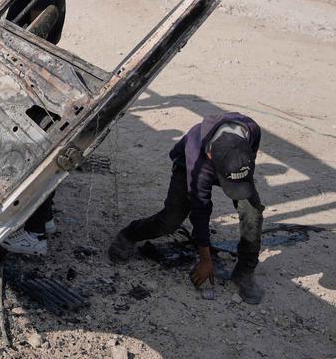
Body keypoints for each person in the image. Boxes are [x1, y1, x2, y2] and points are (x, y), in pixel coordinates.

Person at [108, 112, 266, 304]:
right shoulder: (198, 159)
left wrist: (238, 178)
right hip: (188, 166)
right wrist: (205, 261)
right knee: (171, 219)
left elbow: (249, 160)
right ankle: (130, 234)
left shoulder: (251, 129)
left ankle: (244, 271)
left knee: (252, 211)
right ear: (210, 154)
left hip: (235, 169)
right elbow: (200, 210)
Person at [0, 0, 66, 256]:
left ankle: (35, 234)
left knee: (30, 153)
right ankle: (45, 217)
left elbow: (37, 28)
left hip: (30, 72)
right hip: (34, 70)